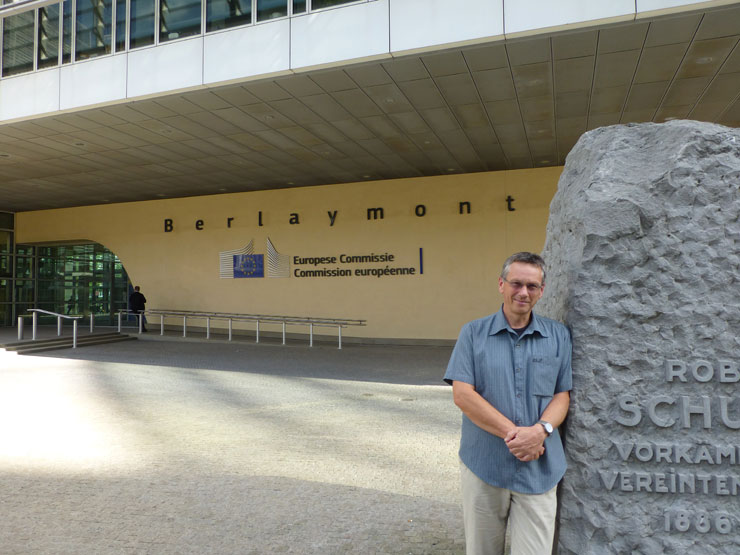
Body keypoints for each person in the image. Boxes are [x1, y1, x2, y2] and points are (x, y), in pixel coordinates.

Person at [444, 252, 572, 555]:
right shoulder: (473, 334)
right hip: (484, 466)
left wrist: (539, 432)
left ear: (541, 291)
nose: (523, 292)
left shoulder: (558, 336)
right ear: (501, 285)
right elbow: (463, 394)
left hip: (539, 468)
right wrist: (515, 436)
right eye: (516, 283)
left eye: (532, 286)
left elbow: (562, 395)